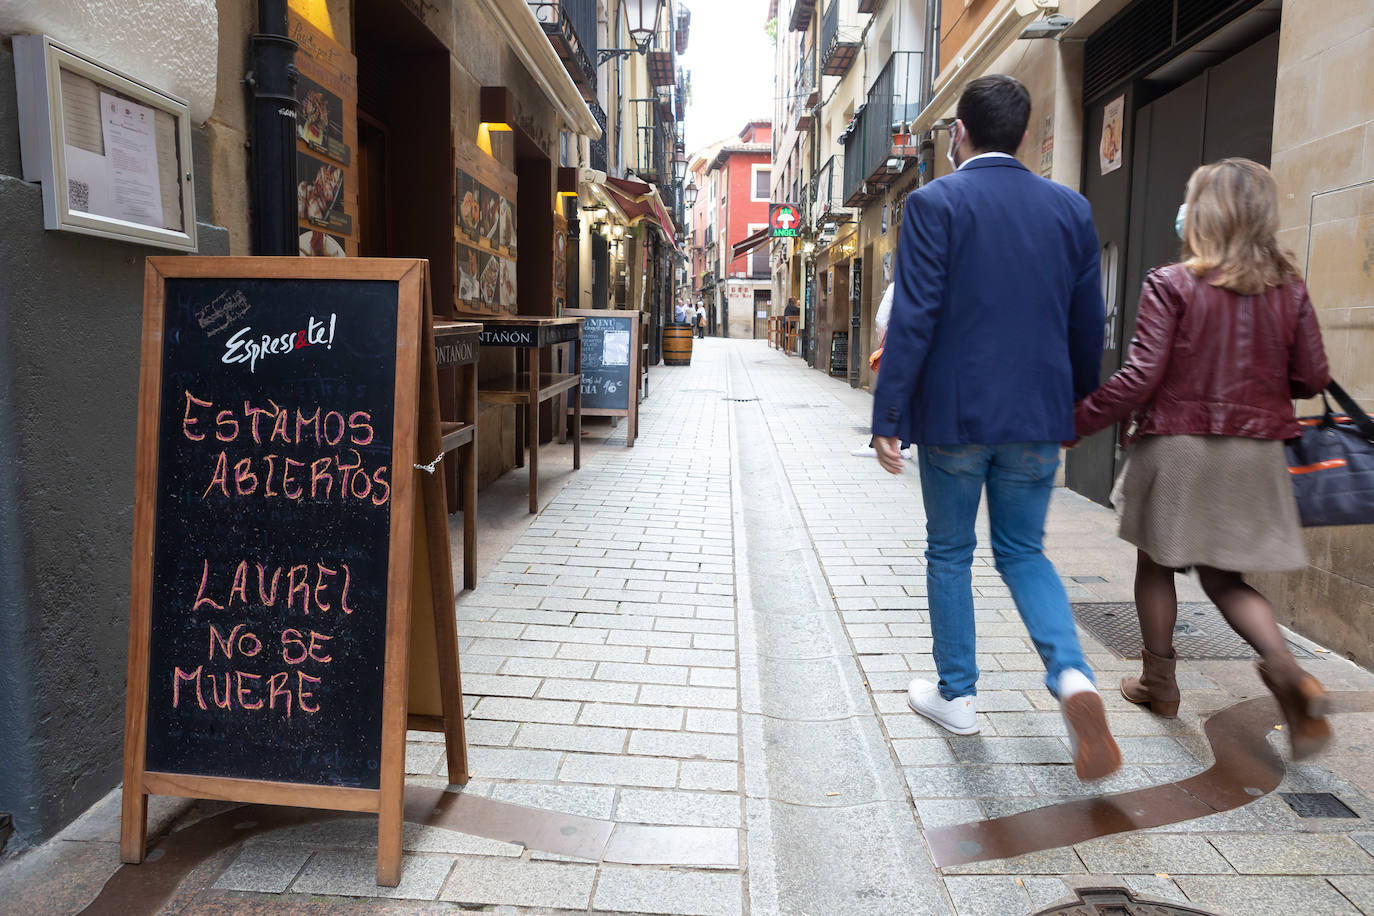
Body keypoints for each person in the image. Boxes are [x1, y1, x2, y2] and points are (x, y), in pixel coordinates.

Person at [872, 74, 1120, 780]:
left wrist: (888, 415)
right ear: (1019, 134)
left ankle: (957, 696)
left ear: (961, 134)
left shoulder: (934, 204)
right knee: (1023, 552)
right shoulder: (1070, 211)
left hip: (954, 417)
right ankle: (1072, 677)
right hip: (1036, 415)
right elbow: (1085, 326)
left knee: (949, 552)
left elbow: (915, 317)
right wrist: (1075, 405)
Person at [1074, 158, 1333, 760]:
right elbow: (1312, 375)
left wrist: (1079, 421)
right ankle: (1289, 671)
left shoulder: (1172, 282)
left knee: (1156, 562)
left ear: (1203, 212)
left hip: (1179, 444)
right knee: (1223, 578)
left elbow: (1141, 376)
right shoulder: (1288, 290)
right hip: (1257, 454)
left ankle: (1159, 685)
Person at [851, 283, 910, 460]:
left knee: (891, 393)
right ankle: (905, 445)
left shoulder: (898, 285)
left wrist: (884, 337)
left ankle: (875, 443)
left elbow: (881, 318)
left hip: (899, 344)